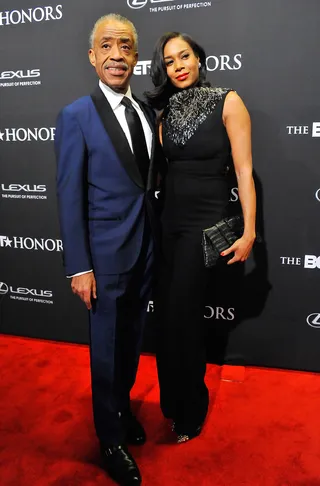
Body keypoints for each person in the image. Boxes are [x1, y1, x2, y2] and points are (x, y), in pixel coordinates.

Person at [55, 14, 164, 486]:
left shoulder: (145, 110)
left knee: (132, 341)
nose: (117, 55)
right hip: (102, 256)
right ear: (93, 56)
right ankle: (109, 437)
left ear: (135, 57)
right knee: (105, 348)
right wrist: (79, 265)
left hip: (144, 250)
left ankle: (120, 409)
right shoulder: (76, 114)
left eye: (126, 47)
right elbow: (69, 193)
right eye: (108, 46)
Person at [145, 32, 256, 443]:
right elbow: (160, 172)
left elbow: (244, 172)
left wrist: (249, 231)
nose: (179, 66)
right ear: (164, 69)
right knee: (168, 323)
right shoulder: (164, 111)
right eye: (170, 61)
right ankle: (173, 405)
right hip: (169, 225)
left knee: (183, 320)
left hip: (204, 226)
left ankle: (192, 407)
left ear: (198, 58)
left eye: (185, 56)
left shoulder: (229, 100)